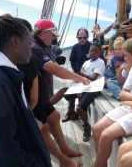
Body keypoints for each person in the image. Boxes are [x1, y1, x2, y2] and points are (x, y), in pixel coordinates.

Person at [0, 12, 52, 166]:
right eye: (29, 43)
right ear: (15, 41)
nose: (31, 47)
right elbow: (5, 153)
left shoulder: (5, 76)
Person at [92, 37, 132, 167]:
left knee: (106, 135)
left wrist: (129, 101)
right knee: (97, 129)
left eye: (127, 55)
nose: (125, 58)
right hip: (130, 107)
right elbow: (122, 94)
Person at [31, 18, 89, 167]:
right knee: (43, 129)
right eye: (52, 35)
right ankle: (64, 161)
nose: (55, 38)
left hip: (41, 95)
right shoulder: (35, 47)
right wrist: (80, 78)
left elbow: (56, 65)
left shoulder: (43, 46)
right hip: (34, 96)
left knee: (55, 116)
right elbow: (55, 69)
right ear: (44, 32)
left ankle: (64, 149)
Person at [62, 28, 106, 122]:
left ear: (88, 37)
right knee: (70, 91)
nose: (82, 39)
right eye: (79, 37)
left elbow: (100, 62)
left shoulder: (93, 48)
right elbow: (72, 60)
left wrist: (83, 73)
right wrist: (77, 72)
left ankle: (78, 112)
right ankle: (70, 111)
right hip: (79, 74)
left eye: (84, 37)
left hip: (88, 78)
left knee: (80, 95)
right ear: (77, 37)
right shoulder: (75, 48)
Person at [64, 42, 106, 142]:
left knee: (80, 108)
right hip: (85, 86)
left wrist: (82, 72)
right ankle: (69, 111)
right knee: (64, 93)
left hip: (95, 88)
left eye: (96, 51)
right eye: (92, 50)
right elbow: (82, 75)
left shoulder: (100, 62)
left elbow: (93, 77)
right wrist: (79, 84)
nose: (93, 53)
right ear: (89, 51)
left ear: (100, 52)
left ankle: (87, 127)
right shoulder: (87, 62)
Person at [104, 36, 130, 100]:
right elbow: (111, 70)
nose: (117, 51)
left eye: (120, 49)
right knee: (105, 80)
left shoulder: (127, 59)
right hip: (116, 80)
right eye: (115, 49)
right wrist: (112, 78)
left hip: (125, 82)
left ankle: (121, 96)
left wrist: (111, 80)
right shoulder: (114, 58)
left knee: (109, 84)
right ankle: (120, 94)